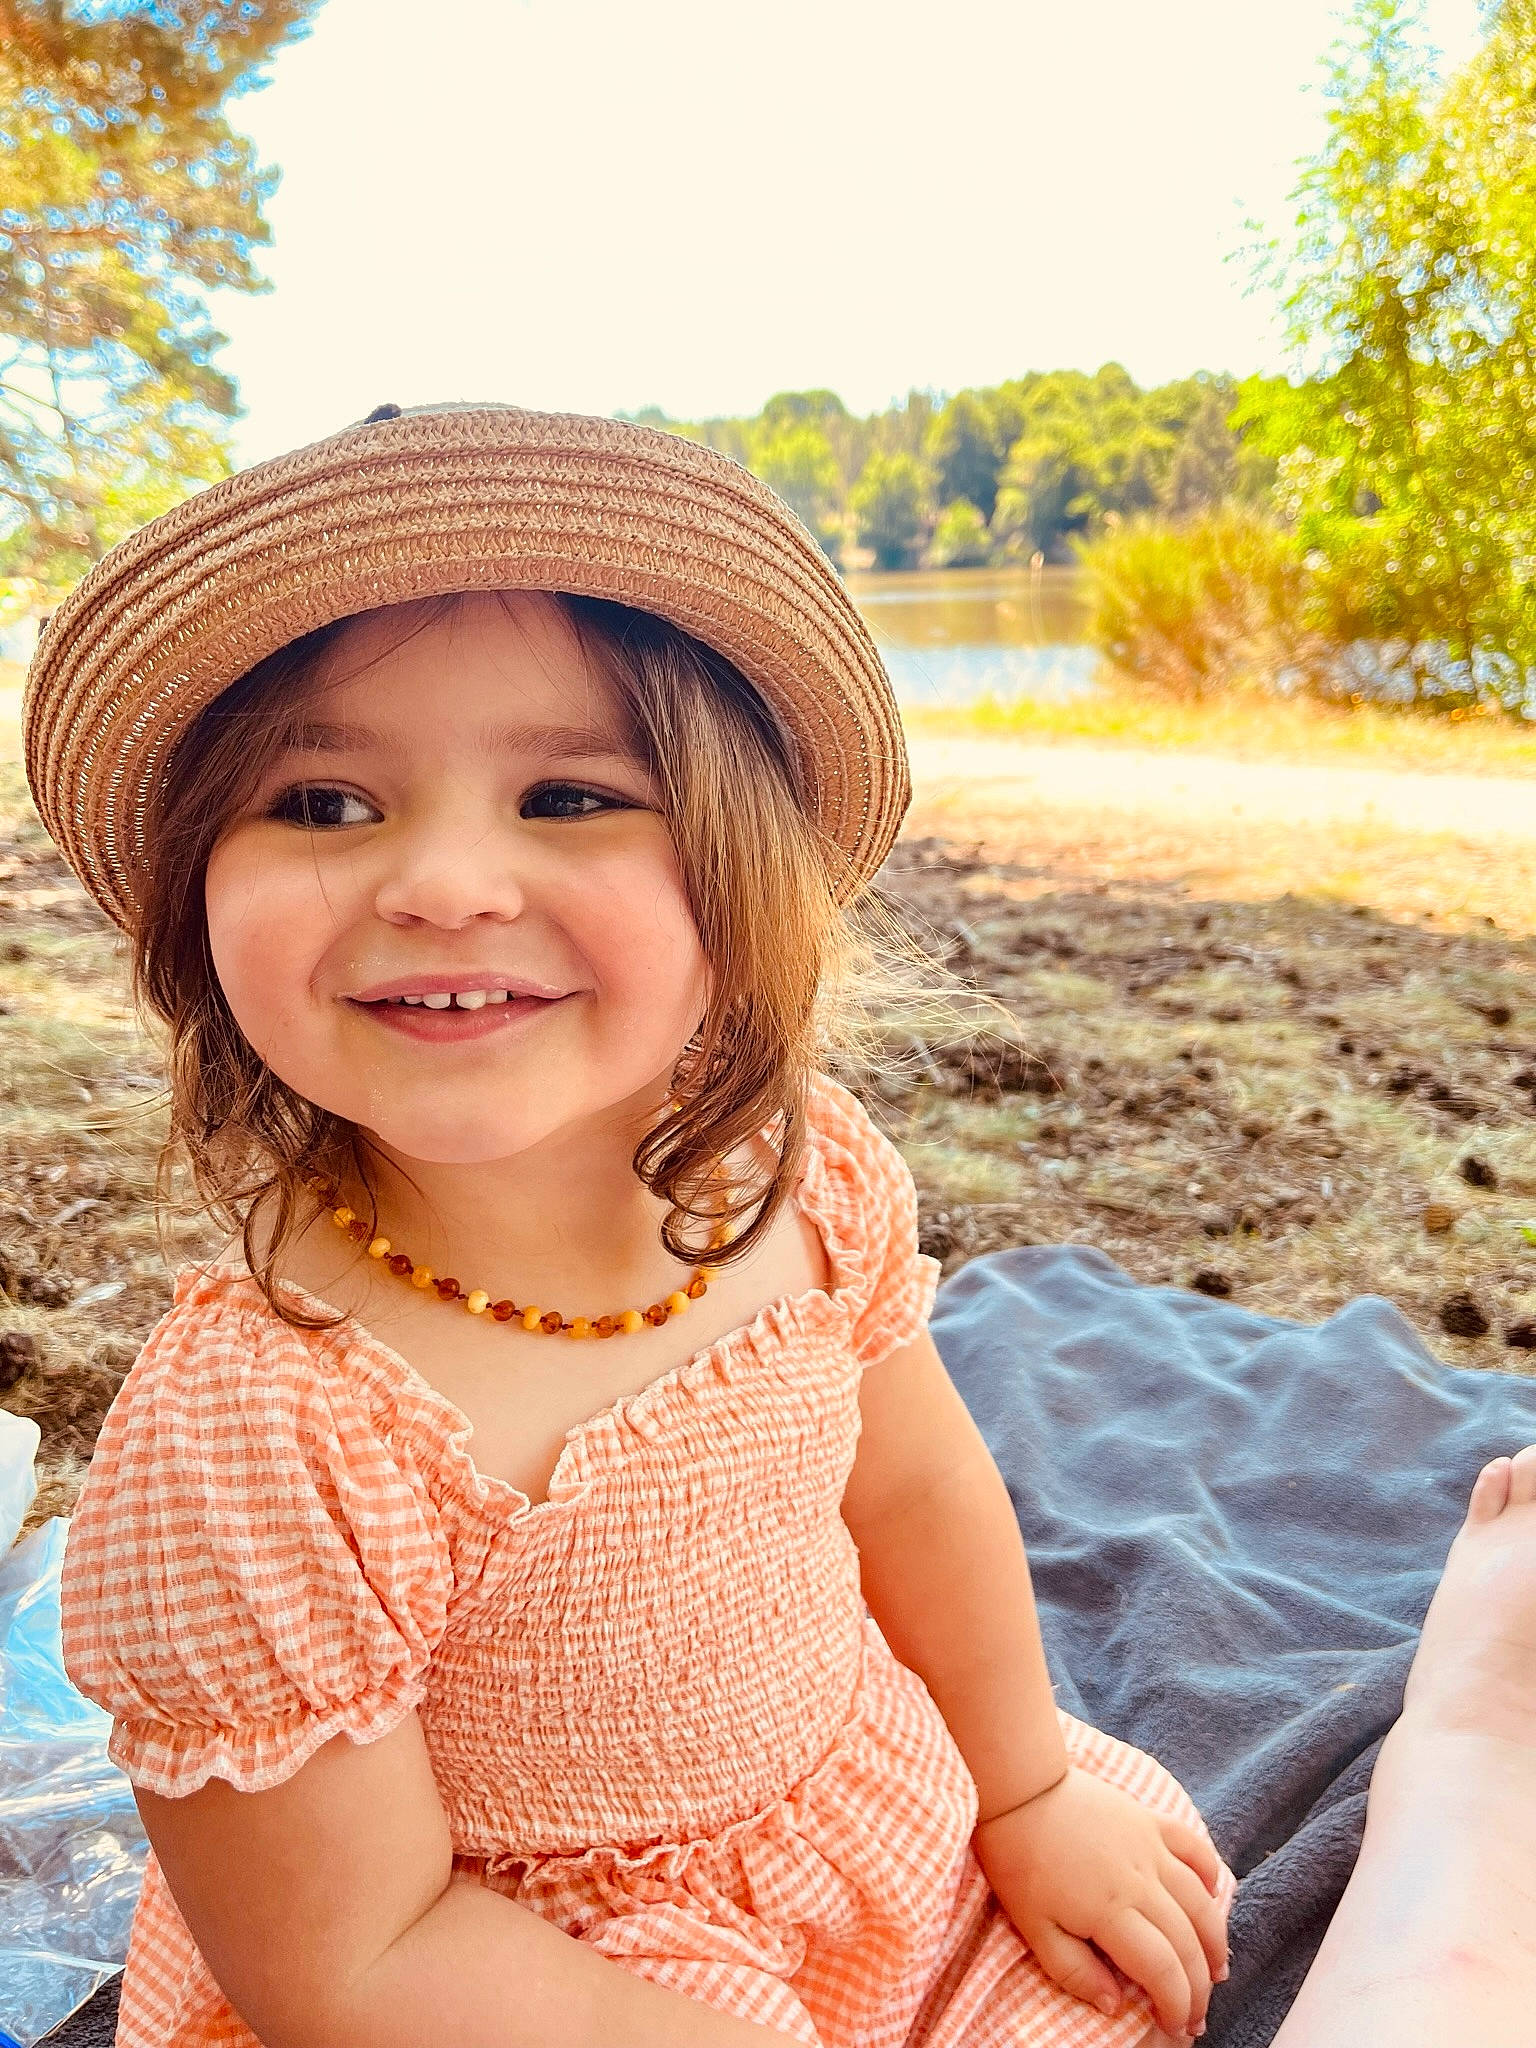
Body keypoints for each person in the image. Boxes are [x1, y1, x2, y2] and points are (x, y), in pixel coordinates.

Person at [20, 403, 1526, 2048]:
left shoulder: (790, 1178)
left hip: (859, 1839)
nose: (444, 880)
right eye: (320, 805)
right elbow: (353, 1961)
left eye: (574, 792)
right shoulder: (264, 1426)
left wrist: (1020, 1789)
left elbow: (917, 1477)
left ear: (750, 878)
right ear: (195, 903)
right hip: (514, 1993)